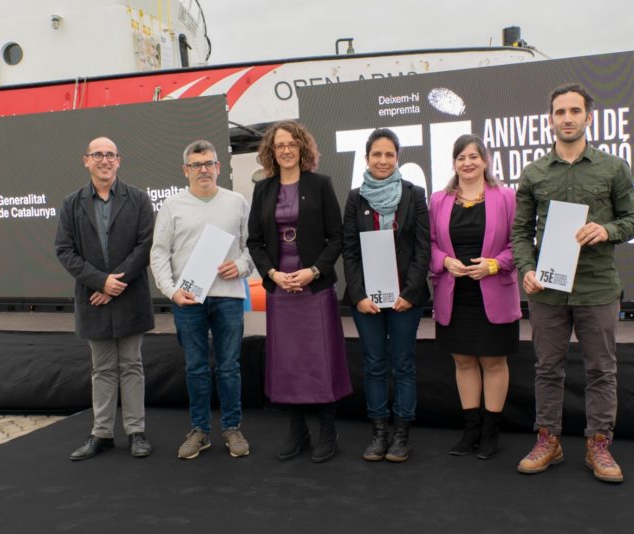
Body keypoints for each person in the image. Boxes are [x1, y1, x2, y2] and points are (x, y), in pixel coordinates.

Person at [511, 84, 634, 483]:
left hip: (598, 287)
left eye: (574, 111)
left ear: (589, 117)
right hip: (548, 291)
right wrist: (526, 269)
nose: (566, 118)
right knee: (547, 368)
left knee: (601, 370)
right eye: (559, 112)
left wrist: (606, 230)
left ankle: (598, 445)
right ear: (550, 120)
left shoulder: (613, 168)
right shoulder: (534, 173)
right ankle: (547, 440)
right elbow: (520, 232)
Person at [247, 121, 352, 463]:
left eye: (292, 143)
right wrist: (273, 274)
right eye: (280, 145)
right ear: (271, 151)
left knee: (319, 361)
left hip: (314, 288)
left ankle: (327, 432)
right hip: (280, 290)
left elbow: (336, 237)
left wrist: (314, 270)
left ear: (302, 147)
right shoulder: (263, 190)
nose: (287, 150)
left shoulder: (320, 185)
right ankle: (297, 432)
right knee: (288, 363)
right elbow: (255, 242)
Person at [150, 140, 252, 460]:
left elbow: (255, 248)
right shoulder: (172, 206)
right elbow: (159, 253)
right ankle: (200, 431)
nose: (203, 170)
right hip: (189, 299)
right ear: (186, 171)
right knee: (195, 368)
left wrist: (242, 265)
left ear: (218, 168)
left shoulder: (237, 202)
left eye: (209, 163)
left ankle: (233, 428)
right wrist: (172, 290)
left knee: (229, 368)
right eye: (196, 165)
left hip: (229, 297)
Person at [55, 137, 155, 461]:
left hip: (128, 297)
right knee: (102, 369)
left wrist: (115, 283)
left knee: (132, 365)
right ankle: (102, 434)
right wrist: (100, 282)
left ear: (119, 161)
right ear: (86, 160)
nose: (104, 160)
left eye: (110, 154)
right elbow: (64, 251)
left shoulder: (139, 200)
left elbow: (145, 247)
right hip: (93, 298)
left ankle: (136, 432)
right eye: (97, 154)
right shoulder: (71, 204)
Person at [429, 134, 521, 460]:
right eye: (461, 157)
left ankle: (491, 434)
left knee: (494, 362)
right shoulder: (438, 200)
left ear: (485, 160)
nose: (467, 163)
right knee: (464, 361)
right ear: (454, 163)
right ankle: (470, 431)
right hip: (455, 296)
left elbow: (519, 244)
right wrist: (444, 261)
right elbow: (429, 245)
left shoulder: (507, 197)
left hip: (494, 294)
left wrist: (496, 264)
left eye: (474, 156)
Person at [342, 128, 430, 463]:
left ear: (398, 158)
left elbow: (422, 248)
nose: (382, 160)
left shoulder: (414, 193)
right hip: (367, 301)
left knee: (404, 365)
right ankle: (379, 433)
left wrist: (409, 292)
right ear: (367, 158)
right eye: (376, 154)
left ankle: (402, 435)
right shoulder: (355, 198)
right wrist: (359, 294)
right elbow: (349, 251)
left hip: (405, 300)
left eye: (389, 154)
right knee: (375, 365)